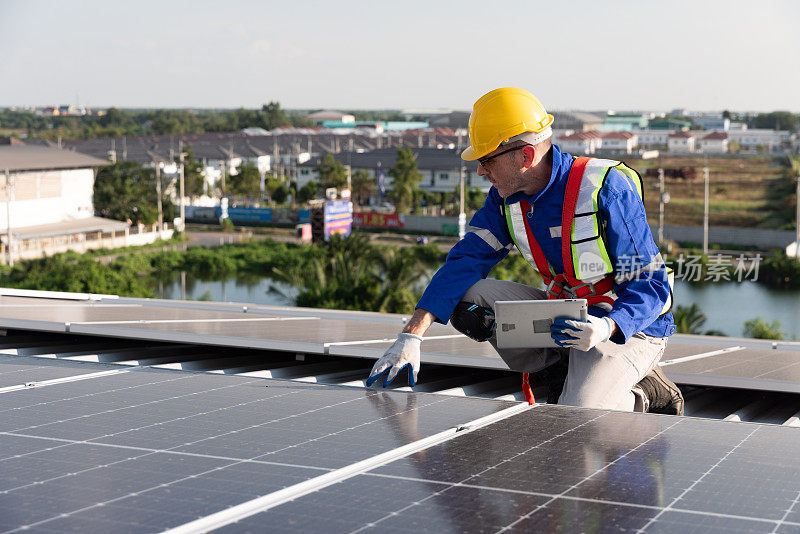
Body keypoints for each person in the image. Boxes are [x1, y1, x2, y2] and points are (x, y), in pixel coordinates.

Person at [366, 87, 683, 415]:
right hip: (566, 317)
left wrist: (606, 327)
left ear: (526, 156)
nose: (480, 171)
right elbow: (465, 261)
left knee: (577, 416)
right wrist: (412, 336)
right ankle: (558, 370)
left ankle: (645, 395)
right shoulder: (505, 199)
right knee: (466, 296)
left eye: (486, 160)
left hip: (627, 328)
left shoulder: (606, 189)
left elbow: (651, 287)